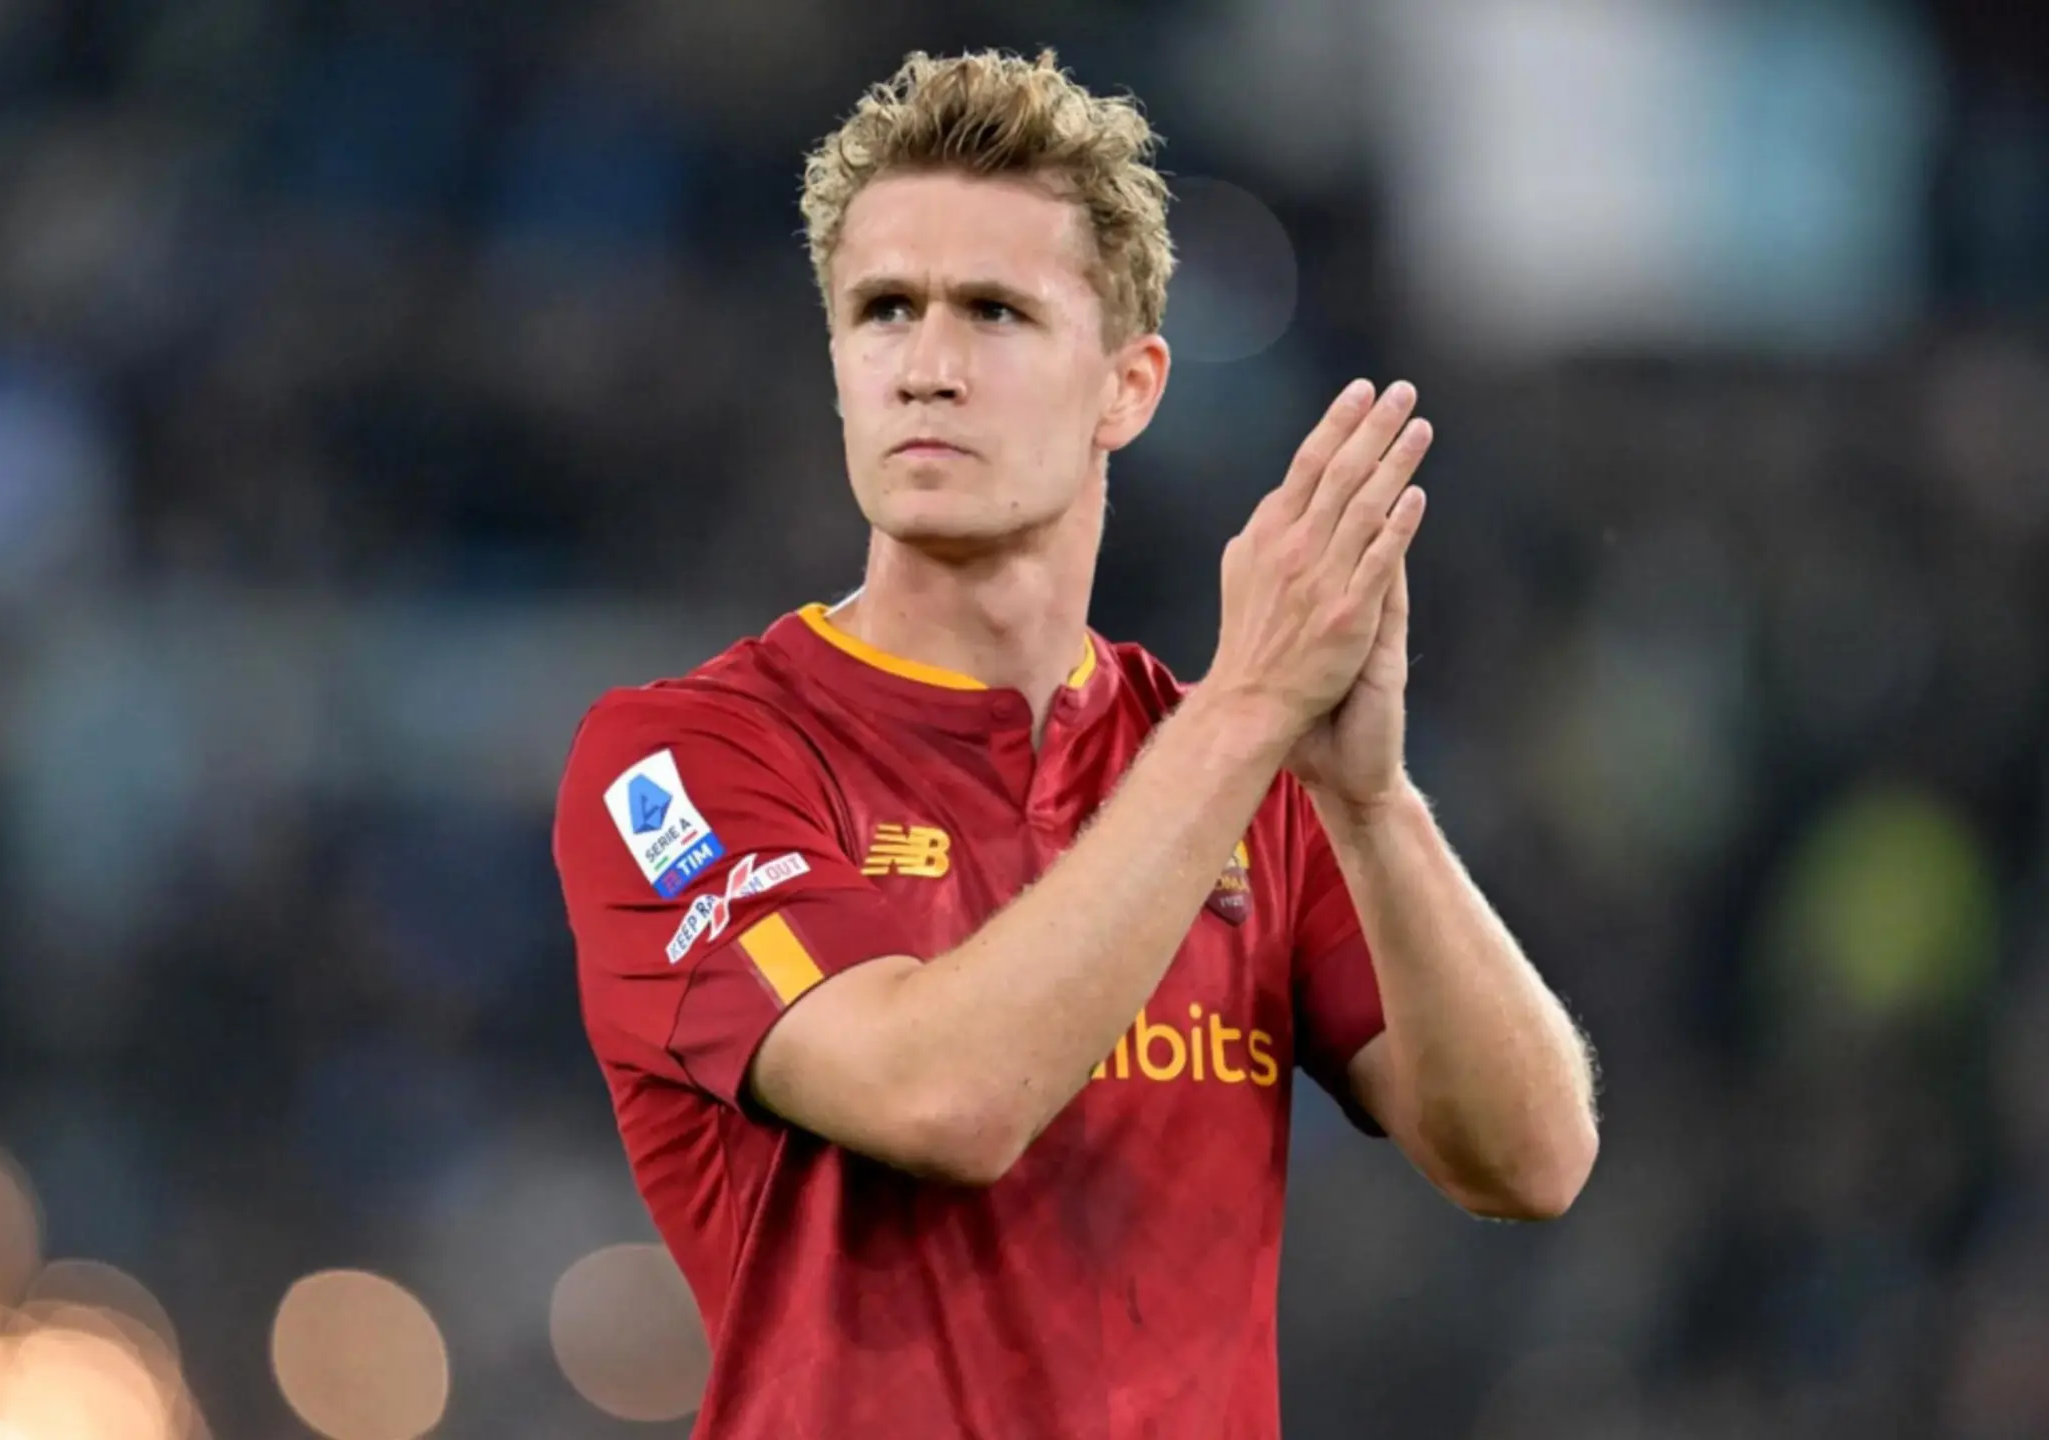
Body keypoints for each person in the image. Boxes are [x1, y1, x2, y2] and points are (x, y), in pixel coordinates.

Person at [550, 48, 1600, 1439]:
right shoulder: (682, 763)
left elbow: (1529, 1160)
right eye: (883, 310)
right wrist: (1247, 712)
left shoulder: (1231, 769)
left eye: (994, 312)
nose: (928, 368)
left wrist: (1372, 801)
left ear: (1128, 386)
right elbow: (942, 1099)